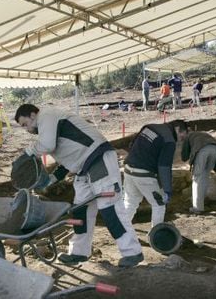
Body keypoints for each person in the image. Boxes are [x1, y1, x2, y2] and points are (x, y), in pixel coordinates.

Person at [14, 104, 144, 267]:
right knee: (80, 211)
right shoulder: (50, 126)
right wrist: (52, 178)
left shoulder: (46, 115)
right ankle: (79, 253)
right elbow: (70, 156)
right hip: (84, 168)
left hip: (98, 160)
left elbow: (47, 145)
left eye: (25, 124)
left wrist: (27, 153)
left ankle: (132, 253)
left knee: (110, 208)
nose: (26, 129)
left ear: (33, 115)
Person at [123, 120, 186, 228]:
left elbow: (132, 144)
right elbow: (164, 166)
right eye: (182, 136)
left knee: (130, 202)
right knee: (159, 204)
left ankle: (121, 231)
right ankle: (156, 237)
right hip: (144, 175)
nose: (181, 140)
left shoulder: (149, 127)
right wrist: (167, 189)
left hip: (128, 169)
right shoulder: (169, 140)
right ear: (177, 129)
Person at [180, 129, 216, 214]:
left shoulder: (189, 136)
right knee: (204, 176)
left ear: (186, 133)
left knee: (197, 178)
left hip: (203, 151)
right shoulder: (202, 133)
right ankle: (201, 203)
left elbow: (184, 156)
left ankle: (197, 208)